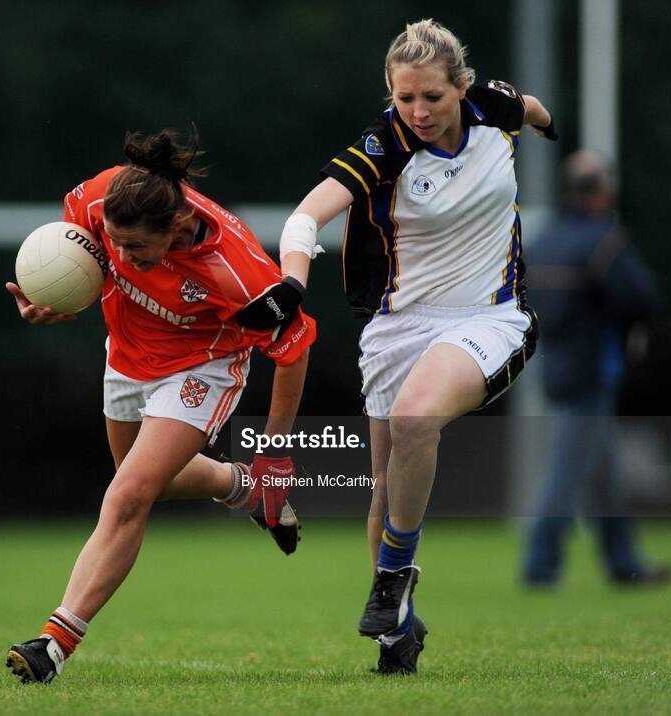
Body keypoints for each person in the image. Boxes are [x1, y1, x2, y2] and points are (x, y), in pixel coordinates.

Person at [241, 19, 557, 674]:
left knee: (415, 420)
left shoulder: (491, 107)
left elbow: (528, 110)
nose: (416, 112)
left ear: (460, 89)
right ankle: (397, 636)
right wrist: (292, 282)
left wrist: (545, 124)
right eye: (403, 98)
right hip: (394, 328)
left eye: (431, 98)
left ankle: (391, 578)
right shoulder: (381, 146)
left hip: (488, 316)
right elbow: (304, 218)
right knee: (384, 486)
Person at [3, 128, 316, 685]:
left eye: (136, 250)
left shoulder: (237, 271)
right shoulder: (104, 198)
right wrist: (49, 299)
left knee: (127, 496)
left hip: (202, 368)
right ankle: (241, 486)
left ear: (175, 225)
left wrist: (276, 451)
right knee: (138, 480)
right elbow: (75, 248)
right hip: (125, 354)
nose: (122, 257)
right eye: (116, 244)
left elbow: (293, 351)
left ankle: (54, 643)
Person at [522, 150, 671, 587]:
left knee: (603, 471)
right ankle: (540, 564)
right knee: (566, 473)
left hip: (551, 365)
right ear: (604, 190)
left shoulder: (542, 239)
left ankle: (623, 563)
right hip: (592, 369)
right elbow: (642, 297)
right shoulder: (604, 240)